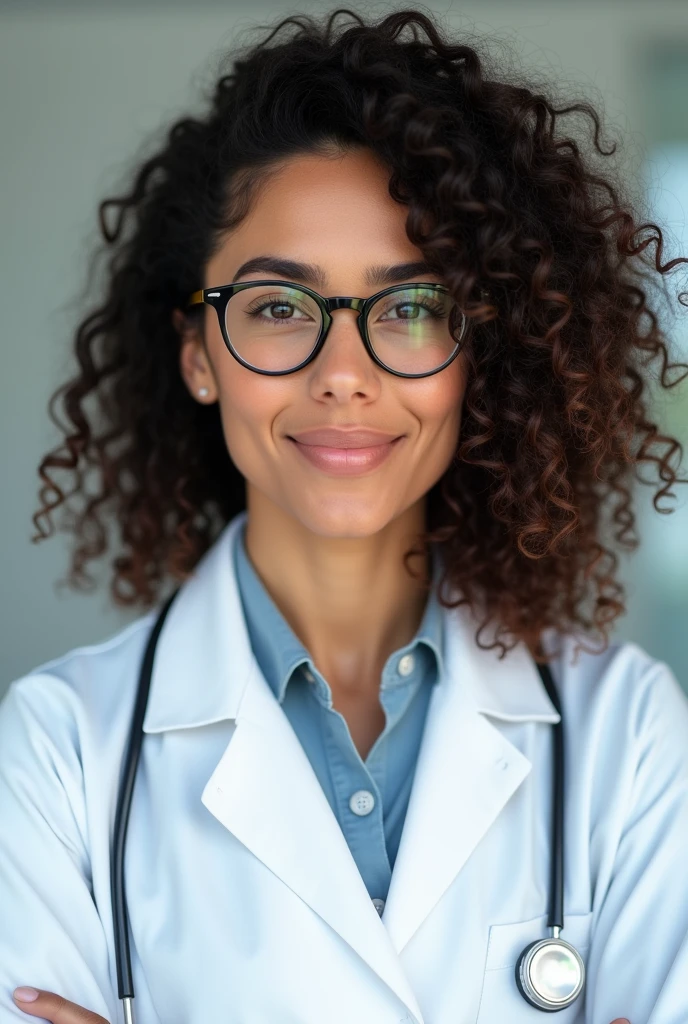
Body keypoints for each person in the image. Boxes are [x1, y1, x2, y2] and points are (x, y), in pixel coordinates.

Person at [1, 7, 687, 1024]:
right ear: (198, 352)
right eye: (278, 307)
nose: (344, 376)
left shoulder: (626, 736)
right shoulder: (53, 757)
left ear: (475, 356)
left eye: (411, 308)